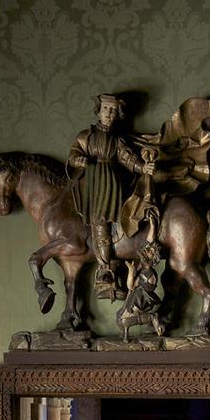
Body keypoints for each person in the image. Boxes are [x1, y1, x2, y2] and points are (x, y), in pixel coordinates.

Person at [66, 93, 156, 298]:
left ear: (118, 114)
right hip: (93, 183)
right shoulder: (85, 136)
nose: (109, 113)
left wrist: (143, 168)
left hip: (111, 184)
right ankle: (105, 269)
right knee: (99, 221)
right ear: (98, 111)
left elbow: (127, 158)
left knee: (105, 220)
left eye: (113, 110)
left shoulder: (117, 140)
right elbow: (73, 154)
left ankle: (107, 269)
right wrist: (79, 160)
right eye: (106, 109)